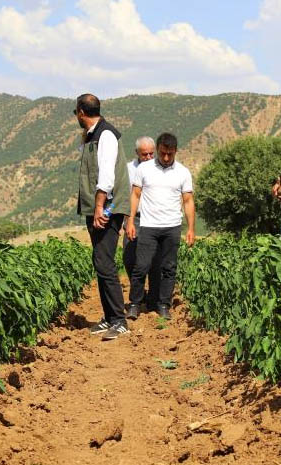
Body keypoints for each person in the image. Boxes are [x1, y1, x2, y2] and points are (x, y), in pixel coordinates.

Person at [74, 94, 131, 340]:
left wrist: (99, 207)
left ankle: (119, 321)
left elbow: (106, 176)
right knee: (100, 261)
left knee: (105, 261)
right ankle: (109, 317)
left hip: (107, 208)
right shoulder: (93, 135)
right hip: (100, 207)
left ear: (80, 112)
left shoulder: (105, 135)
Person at [126, 132, 195, 320]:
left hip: (172, 227)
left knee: (169, 268)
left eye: (170, 154)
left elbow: (188, 201)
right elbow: (135, 195)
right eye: (163, 153)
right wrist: (130, 221)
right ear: (157, 150)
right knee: (141, 266)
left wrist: (190, 229)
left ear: (176, 152)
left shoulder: (183, 172)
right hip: (148, 226)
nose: (166, 158)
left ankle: (164, 305)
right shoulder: (144, 169)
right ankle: (134, 304)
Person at [123, 136, 161, 319]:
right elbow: (122, 195)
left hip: (154, 218)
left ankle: (151, 300)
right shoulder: (129, 170)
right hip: (135, 218)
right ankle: (139, 295)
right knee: (130, 259)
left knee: (155, 261)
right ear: (137, 153)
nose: (148, 157)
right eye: (144, 154)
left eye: (151, 153)